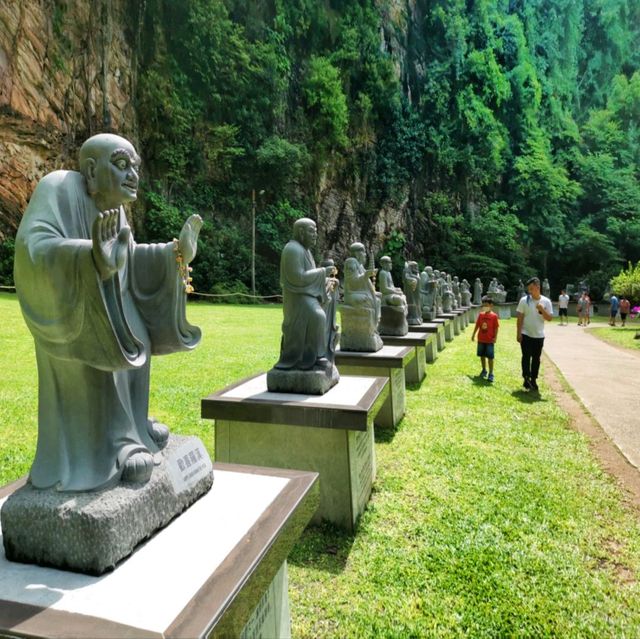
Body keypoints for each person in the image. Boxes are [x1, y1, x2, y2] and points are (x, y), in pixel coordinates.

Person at [14, 133, 202, 491]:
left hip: (112, 306)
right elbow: (32, 249)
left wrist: (174, 253)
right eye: (121, 164)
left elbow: (130, 259)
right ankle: (112, 451)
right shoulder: (58, 188)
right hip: (73, 314)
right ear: (90, 170)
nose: (132, 174)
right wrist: (90, 257)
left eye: (135, 166)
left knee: (135, 333)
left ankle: (132, 428)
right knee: (103, 349)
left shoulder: (115, 212)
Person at [272, 218, 339, 372]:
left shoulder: (306, 251)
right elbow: (297, 277)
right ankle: (312, 356)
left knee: (323, 312)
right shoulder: (292, 249)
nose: (315, 234)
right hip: (296, 298)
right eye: (311, 231)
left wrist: (327, 280)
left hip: (306, 295)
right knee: (317, 316)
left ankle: (317, 354)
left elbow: (309, 277)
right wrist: (323, 272)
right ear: (301, 232)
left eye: (316, 231)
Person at [516, 276, 553, 392]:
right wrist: (518, 333)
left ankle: (533, 379)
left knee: (536, 358)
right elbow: (520, 318)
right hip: (526, 334)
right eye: (529, 289)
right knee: (526, 357)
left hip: (539, 335)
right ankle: (526, 378)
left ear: (538, 287)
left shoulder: (546, 301)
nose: (530, 292)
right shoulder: (524, 300)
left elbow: (550, 318)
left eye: (532, 289)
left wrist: (542, 309)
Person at [471, 296, 499, 382]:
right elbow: (477, 325)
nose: (485, 307)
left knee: (490, 357)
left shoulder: (494, 316)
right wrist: (473, 335)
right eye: (484, 305)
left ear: (491, 305)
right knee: (482, 356)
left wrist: (495, 338)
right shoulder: (481, 315)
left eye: (486, 305)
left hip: (490, 340)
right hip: (481, 339)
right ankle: (484, 370)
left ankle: (491, 373)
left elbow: (496, 328)